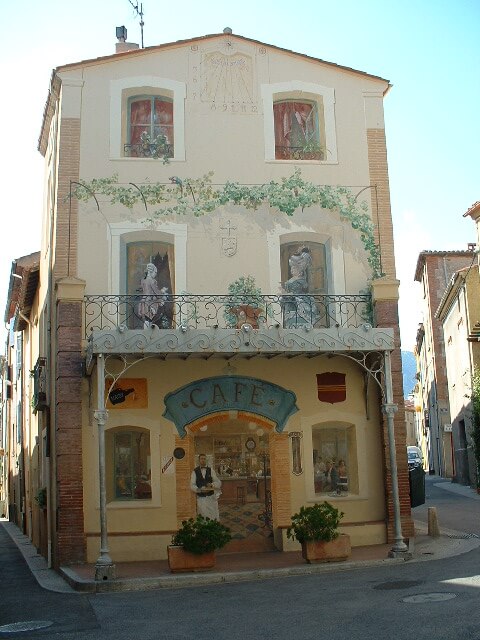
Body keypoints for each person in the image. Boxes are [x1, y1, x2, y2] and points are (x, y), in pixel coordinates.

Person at [190, 453, 222, 520]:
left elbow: (218, 482)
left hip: (211, 498)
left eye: (204, 459)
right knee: (202, 516)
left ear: (206, 460)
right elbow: (192, 485)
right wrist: (200, 490)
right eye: (201, 459)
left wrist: (212, 484)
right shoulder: (195, 471)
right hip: (201, 499)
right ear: (199, 460)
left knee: (212, 515)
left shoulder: (211, 470)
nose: (203, 460)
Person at [137, 263, 169, 328]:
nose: (156, 274)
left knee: (146, 319)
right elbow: (157, 293)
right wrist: (162, 291)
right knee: (149, 319)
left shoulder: (143, 281)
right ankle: (148, 334)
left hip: (144, 301)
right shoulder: (152, 281)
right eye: (155, 272)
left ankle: (146, 334)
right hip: (151, 303)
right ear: (152, 272)